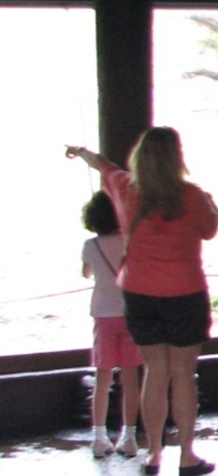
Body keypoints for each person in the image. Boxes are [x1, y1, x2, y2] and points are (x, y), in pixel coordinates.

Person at [66, 129, 218, 476]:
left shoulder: (125, 187)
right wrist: (210, 203)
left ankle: (153, 454)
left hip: (139, 294)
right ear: (176, 156)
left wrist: (81, 151)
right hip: (186, 292)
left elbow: (103, 165)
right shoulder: (192, 195)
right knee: (183, 375)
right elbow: (210, 231)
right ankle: (187, 456)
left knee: (154, 372)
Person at [80, 190, 142, 459]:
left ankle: (99, 437)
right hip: (130, 314)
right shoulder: (129, 242)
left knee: (103, 377)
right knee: (130, 378)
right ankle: (129, 436)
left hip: (103, 315)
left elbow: (86, 273)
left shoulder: (90, 246)